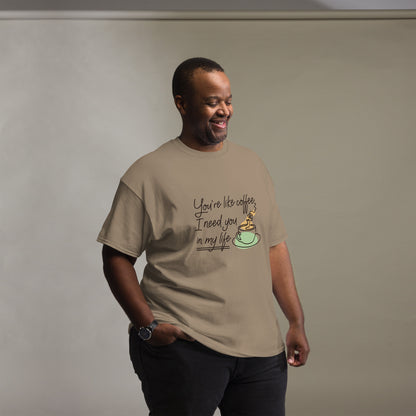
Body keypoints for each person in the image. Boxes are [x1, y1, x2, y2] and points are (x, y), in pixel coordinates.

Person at [97, 57, 309, 416]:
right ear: (182, 104)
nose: (224, 110)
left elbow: (274, 247)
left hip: (260, 352)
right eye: (212, 102)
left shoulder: (252, 165)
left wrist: (296, 321)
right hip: (185, 347)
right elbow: (116, 256)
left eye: (228, 100)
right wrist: (148, 327)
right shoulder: (148, 174)